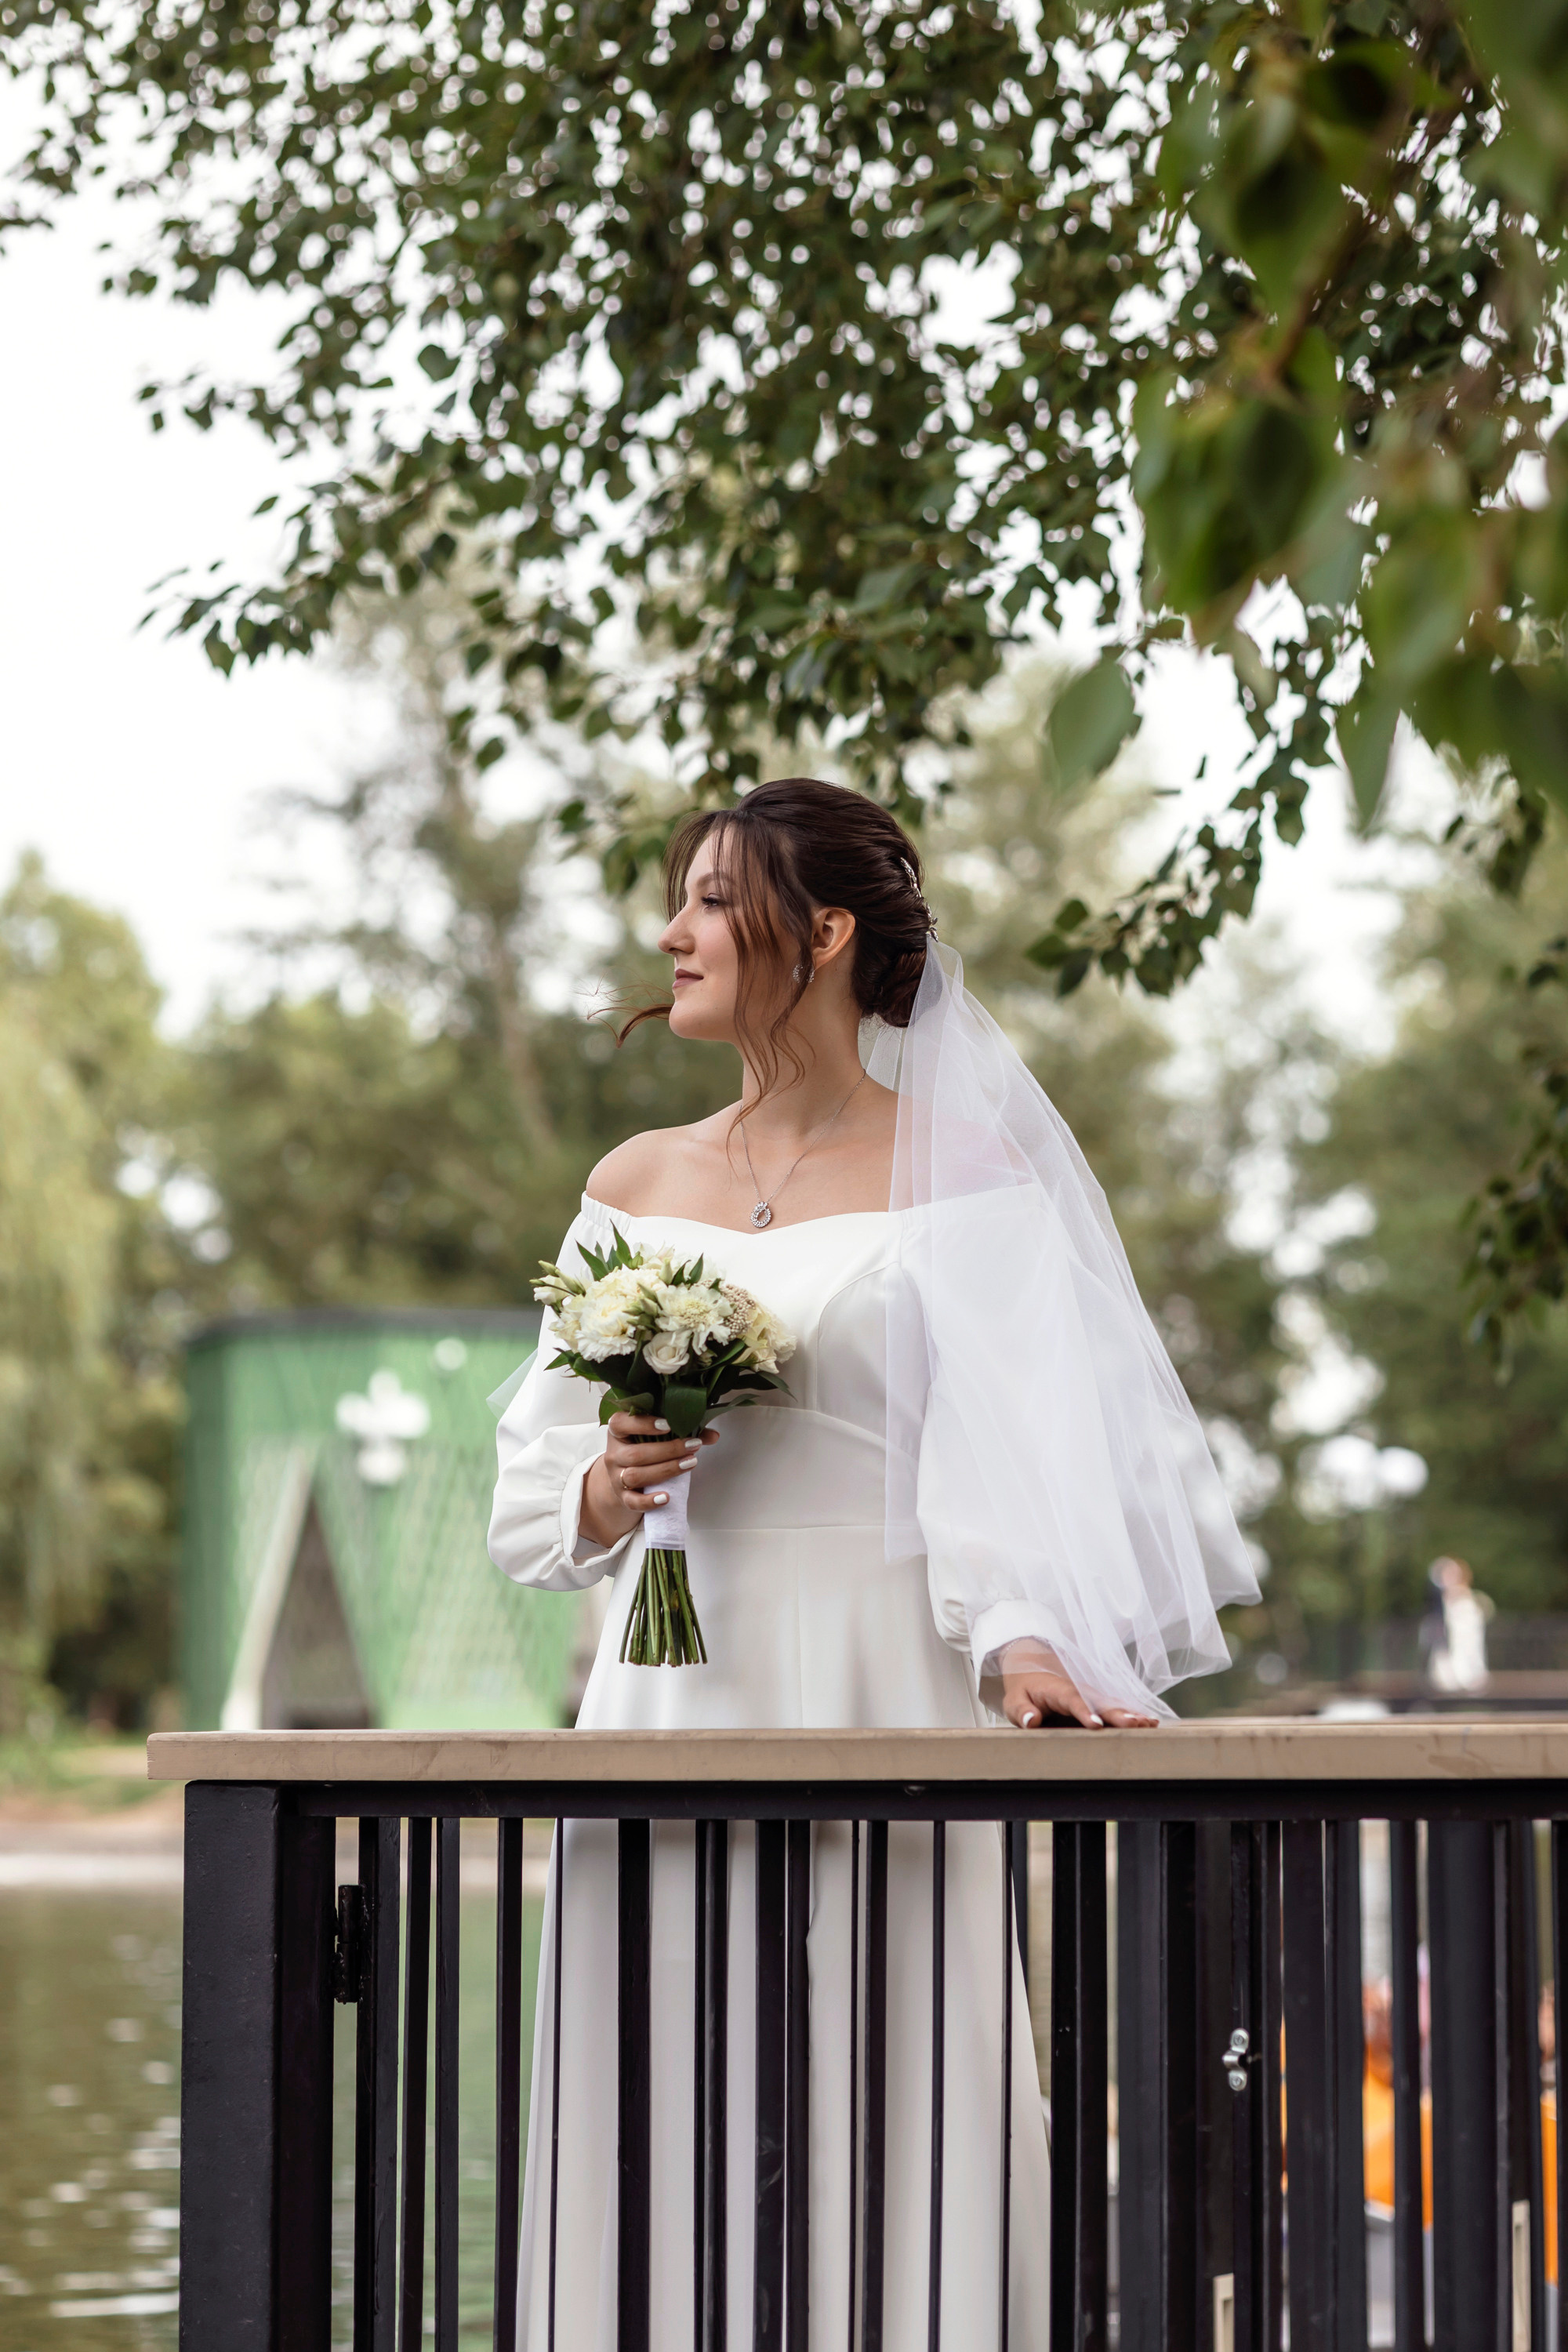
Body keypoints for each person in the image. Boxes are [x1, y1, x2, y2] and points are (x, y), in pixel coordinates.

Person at [488, 779, 1258, 2347]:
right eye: (678, 900)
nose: (671, 932)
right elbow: (529, 1494)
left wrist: (1029, 1646)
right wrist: (605, 1484)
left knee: (902, 2068)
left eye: (711, 900)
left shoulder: (967, 1176)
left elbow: (1011, 1460)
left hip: (878, 1672)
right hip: (668, 1682)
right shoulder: (632, 1186)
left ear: (822, 932)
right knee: (650, 2071)